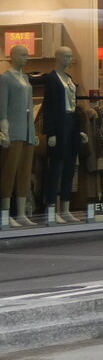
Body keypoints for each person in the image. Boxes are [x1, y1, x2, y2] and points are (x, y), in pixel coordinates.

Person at [39, 46, 89, 224]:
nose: (70, 59)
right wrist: (50, 132)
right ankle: (51, 209)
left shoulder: (69, 79)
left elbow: (74, 106)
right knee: (56, 168)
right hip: (59, 126)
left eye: (70, 56)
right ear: (58, 58)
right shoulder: (52, 79)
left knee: (69, 168)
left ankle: (65, 208)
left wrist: (80, 129)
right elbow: (49, 107)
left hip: (71, 125)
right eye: (67, 56)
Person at [0, 44, 38, 227]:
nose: (26, 58)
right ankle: (5, 213)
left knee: (24, 172)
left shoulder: (25, 78)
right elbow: (2, 108)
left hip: (27, 132)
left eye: (27, 55)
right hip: (13, 131)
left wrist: (34, 131)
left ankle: (21, 212)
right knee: (9, 171)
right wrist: (4, 131)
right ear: (13, 56)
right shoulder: (5, 79)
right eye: (23, 55)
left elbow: (30, 108)